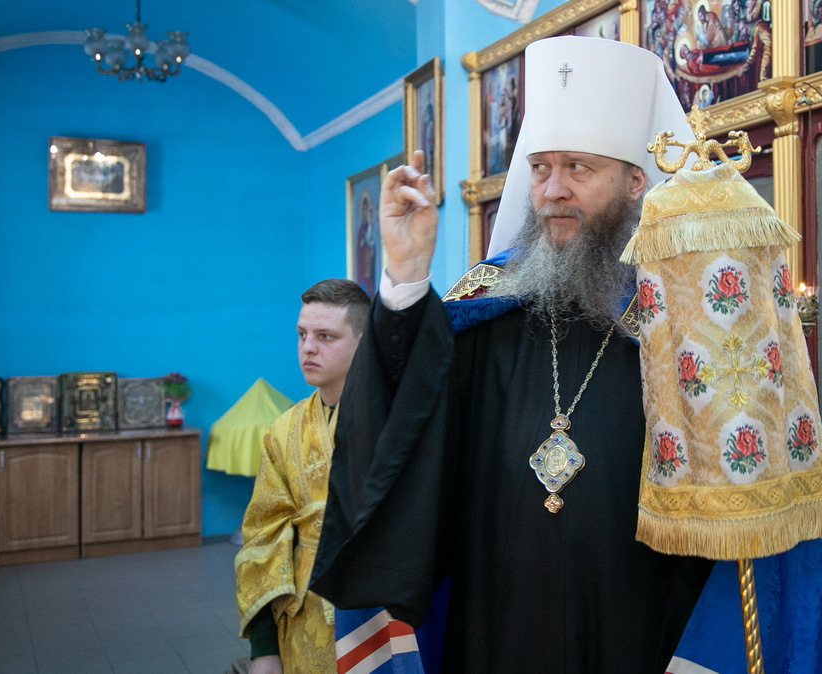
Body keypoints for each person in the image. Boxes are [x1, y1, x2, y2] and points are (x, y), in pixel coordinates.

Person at [310, 37, 723, 673]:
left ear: (636, 181)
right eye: (539, 169)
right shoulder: (489, 305)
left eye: (579, 168)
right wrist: (406, 276)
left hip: (636, 621)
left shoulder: (685, 319)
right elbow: (398, 428)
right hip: (494, 623)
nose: (554, 190)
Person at [234, 278, 371, 674]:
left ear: (364, 343)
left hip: (377, 612)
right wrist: (264, 649)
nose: (308, 348)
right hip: (302, 620)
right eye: (302, 334)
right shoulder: (283, 431)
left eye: (326, 336)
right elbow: (263, 536)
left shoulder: (396, 424)